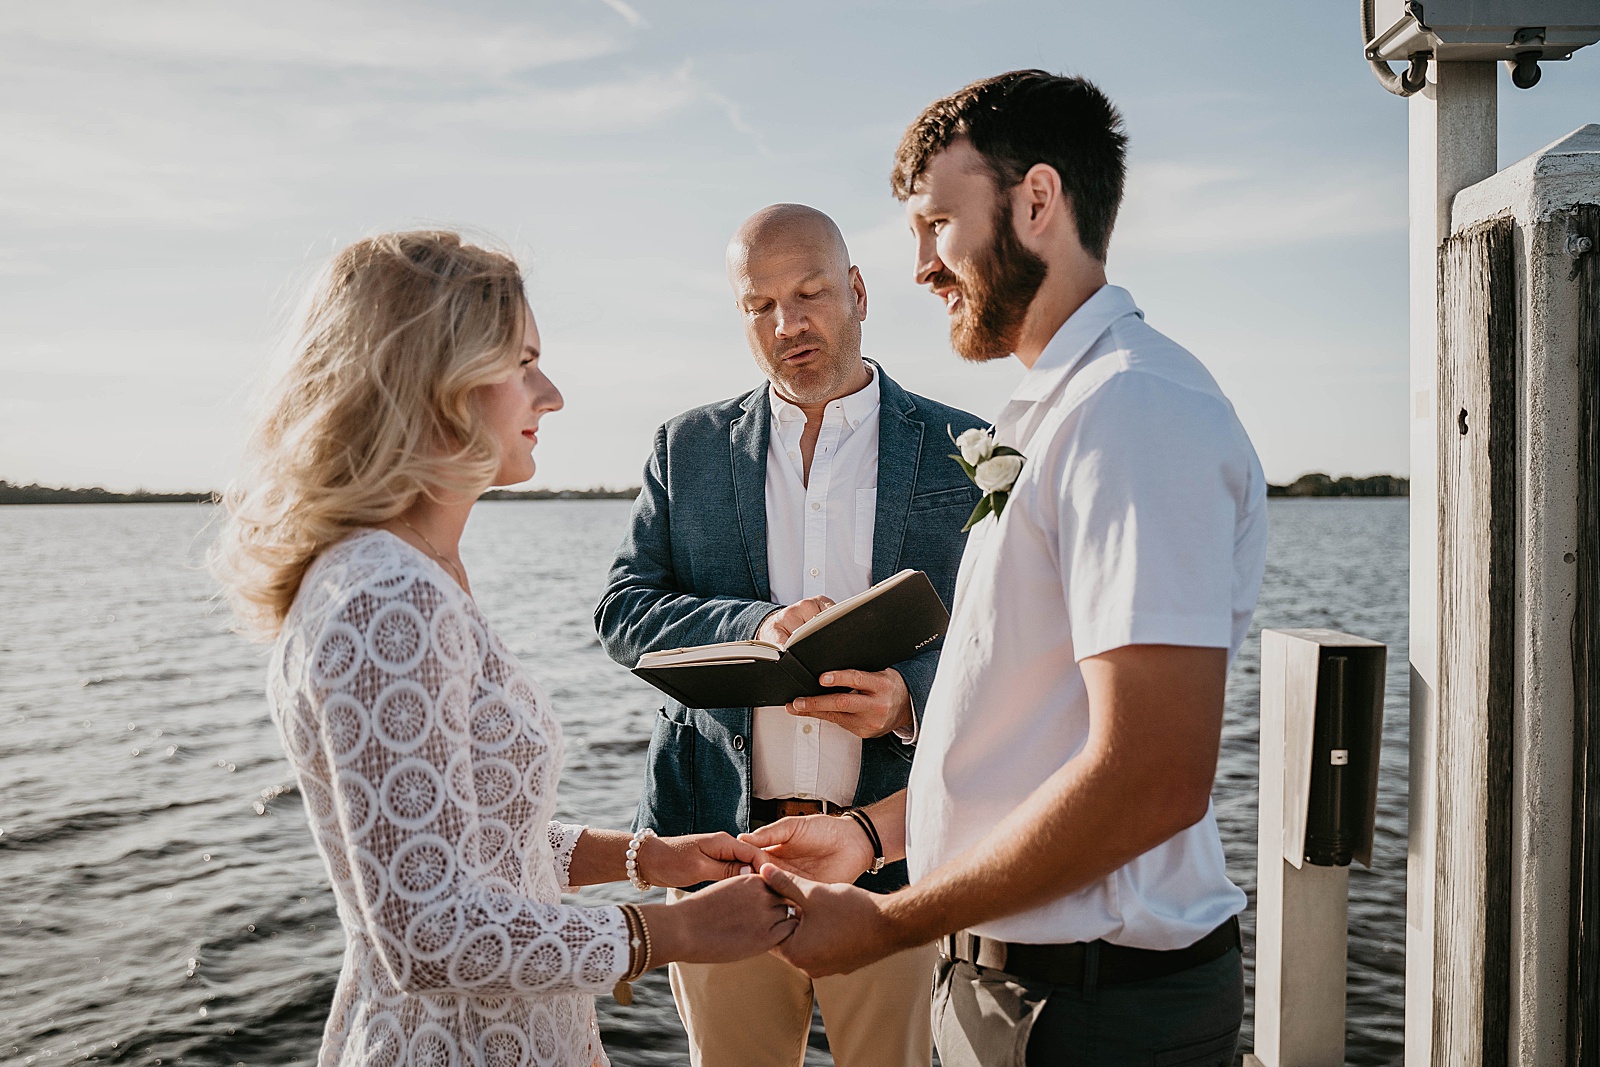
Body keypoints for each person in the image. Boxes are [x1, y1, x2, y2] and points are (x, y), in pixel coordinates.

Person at [743, 71, 1269, 1066]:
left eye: (936, 223)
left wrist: (889, 923)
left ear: (1036, 200)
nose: (917, 269)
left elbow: (1151, 777)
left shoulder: (1133, 411)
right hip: (1019, 982)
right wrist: (871, 837)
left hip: (1091, 1011)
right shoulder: (1054, 412)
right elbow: (1031, 733)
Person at [213, 230, 797, 1067]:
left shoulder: (419, 573)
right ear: (432, 380)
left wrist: (650, 854)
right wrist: (673, 929)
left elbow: (486, 838)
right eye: (522, 362)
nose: (550, 393)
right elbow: (428, 931)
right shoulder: (387, 595)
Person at [594, 204, 984, 1067]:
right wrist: (755, 622)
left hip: (893, 856)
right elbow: (622, 610)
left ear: (858, 291)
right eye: (759, 304)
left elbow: (1004, 638)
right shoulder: (683, 447)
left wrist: (908, 700)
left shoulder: (966, 448)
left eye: (809, 293)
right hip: (719, 855)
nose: (788, 324)